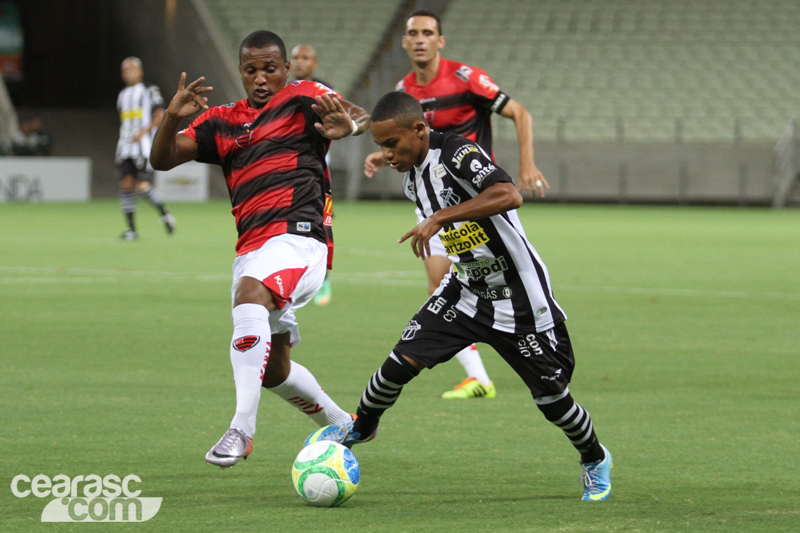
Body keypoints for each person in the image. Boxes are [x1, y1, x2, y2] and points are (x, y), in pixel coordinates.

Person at [307, 91, 612, 501]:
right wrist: (392, 163)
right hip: (465, 289)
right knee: (400, 361)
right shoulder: (413, 177)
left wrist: (440, 217)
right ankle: (361, 425)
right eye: (380, 147)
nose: (387, 154)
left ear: (419, 130)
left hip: (518, 295)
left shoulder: (457, 153)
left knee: (552, 399)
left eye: (392, 144)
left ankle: (594, 457)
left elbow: (508, 194)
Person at [150, 30, 370, 468]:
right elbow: (162, 158)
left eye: (271, 68)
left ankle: (241, 430)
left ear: (286, 69)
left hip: (301, 237)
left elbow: (357, 114)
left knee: (249, 295)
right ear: (241, 72)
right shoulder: (222, 121)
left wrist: (349, 126)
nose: (262, 78)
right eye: (252, 70)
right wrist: (171, 117)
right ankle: (345, 422)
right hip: (252, 249)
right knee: (273, 371)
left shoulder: (304, 97)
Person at [364, 10, 549, 399]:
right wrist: (384, 156)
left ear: (440, 41)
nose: (419, 39)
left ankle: (528, 344)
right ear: (404, 41)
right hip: (431, 200)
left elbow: (519, 112)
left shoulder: (467, 79)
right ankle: (477, 375)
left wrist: (526, 164)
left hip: (479, 197)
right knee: (439, 282)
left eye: (427, 33)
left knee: (494, 275)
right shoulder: (404, 88)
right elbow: (413, 139)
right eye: (412, 33)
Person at [291, 43, 334, 306]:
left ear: (314, 63)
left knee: (321, 224)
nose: (299, 62)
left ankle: (324, 276)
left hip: (318, 174)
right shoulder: (281, 94)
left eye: (305, 58)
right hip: (286, 172)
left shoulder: (325, 93)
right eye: (295, 57)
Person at [116, 57, 175, 240]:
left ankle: (164, 211)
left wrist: (144, 132)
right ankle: (132, 230)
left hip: (143, 146)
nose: (130, 73)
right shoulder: (122, 95)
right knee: (125, 184)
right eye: (126, 70)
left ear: (140, 72)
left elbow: (160, 113)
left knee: (142, 187)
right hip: (125, 147)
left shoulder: (149, 90)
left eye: (133, 69)